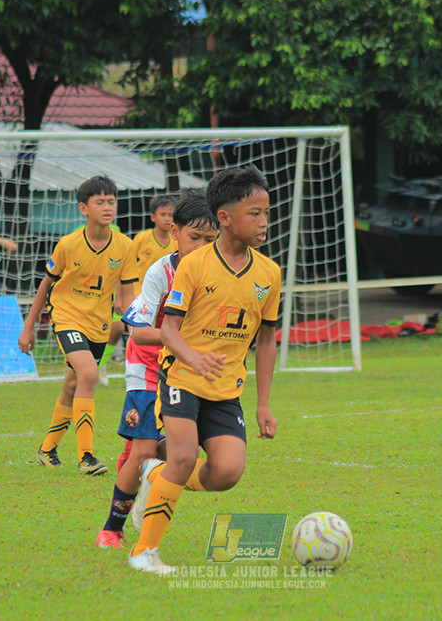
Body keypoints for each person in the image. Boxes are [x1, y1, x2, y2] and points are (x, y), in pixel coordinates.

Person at [127, 165, 281, 575]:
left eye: (266, 212)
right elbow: (170, 329)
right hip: (181, 377)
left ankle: (155, 476)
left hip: (226, 388)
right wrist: (193, 357)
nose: (264, 221)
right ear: (225, 217)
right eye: (254, 213)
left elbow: (266, 340)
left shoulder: (269, 273)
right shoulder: (194, 266)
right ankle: (144, 551)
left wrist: (263, 403)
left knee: (227, 473)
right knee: (182, 456)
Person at [95, 190, 220, 550]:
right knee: (144, 449)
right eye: (194, 237)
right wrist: (181, 343)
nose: (201, 246)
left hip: (192, 369)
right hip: (148, 367)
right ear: (175, 231)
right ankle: (112, 529)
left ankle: (149, 473)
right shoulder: (160, 272)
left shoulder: (218, 272)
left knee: (184, 451)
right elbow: (139, 331)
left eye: (210, 239)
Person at [18, 175, 138, 475]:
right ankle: (87, 457)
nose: (108, 207)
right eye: (100, 202)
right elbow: (46, 286)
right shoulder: (68, 245)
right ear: (84, 208)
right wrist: (29, 327)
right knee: (89, 373)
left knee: (73, 384)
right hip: (66, 318)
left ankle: (47, 449)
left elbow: (129, 292)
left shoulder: (125, 246)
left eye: (111, 201)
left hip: (98, 325)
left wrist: (136, 328)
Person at [114, 194, 178, 466]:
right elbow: (125, 266)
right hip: (145, 308)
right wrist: (122, 295)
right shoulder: (144, 244)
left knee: (167, 441)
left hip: (175, 355)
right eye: (163, 214)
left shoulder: (200, 264)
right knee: (143, 446)